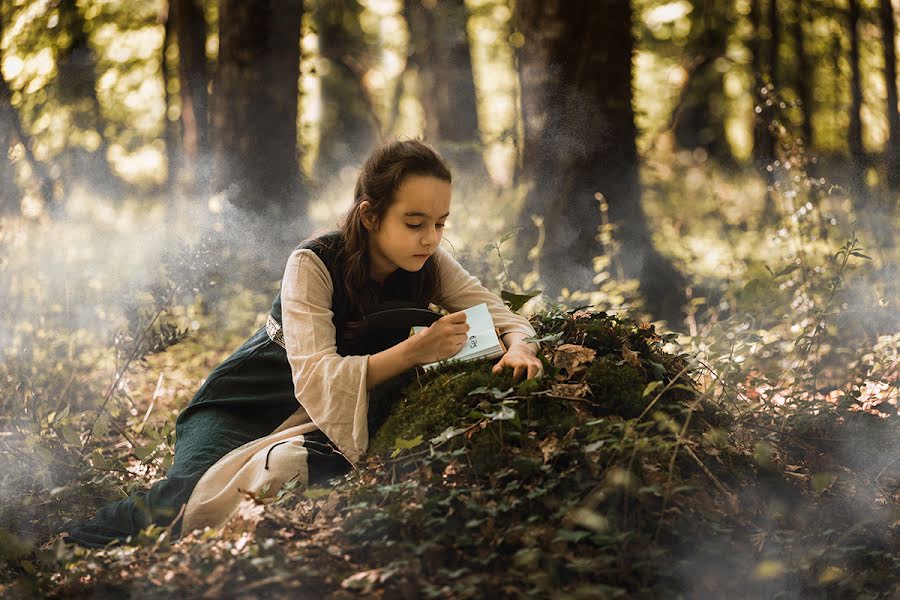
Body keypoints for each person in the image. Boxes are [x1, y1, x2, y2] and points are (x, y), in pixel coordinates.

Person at [61, 138, 542, 548]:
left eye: (441, 223)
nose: (431, 239)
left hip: (329, 409)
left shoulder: (431, 261)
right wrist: (415, 351)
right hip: (251, 397)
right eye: (414, 223)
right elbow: (315, 373)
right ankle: (67, 543)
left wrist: (519, 345)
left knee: (293, 481)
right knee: (180, 500)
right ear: (370, 216)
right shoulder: (313, 263)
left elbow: (501, 315)